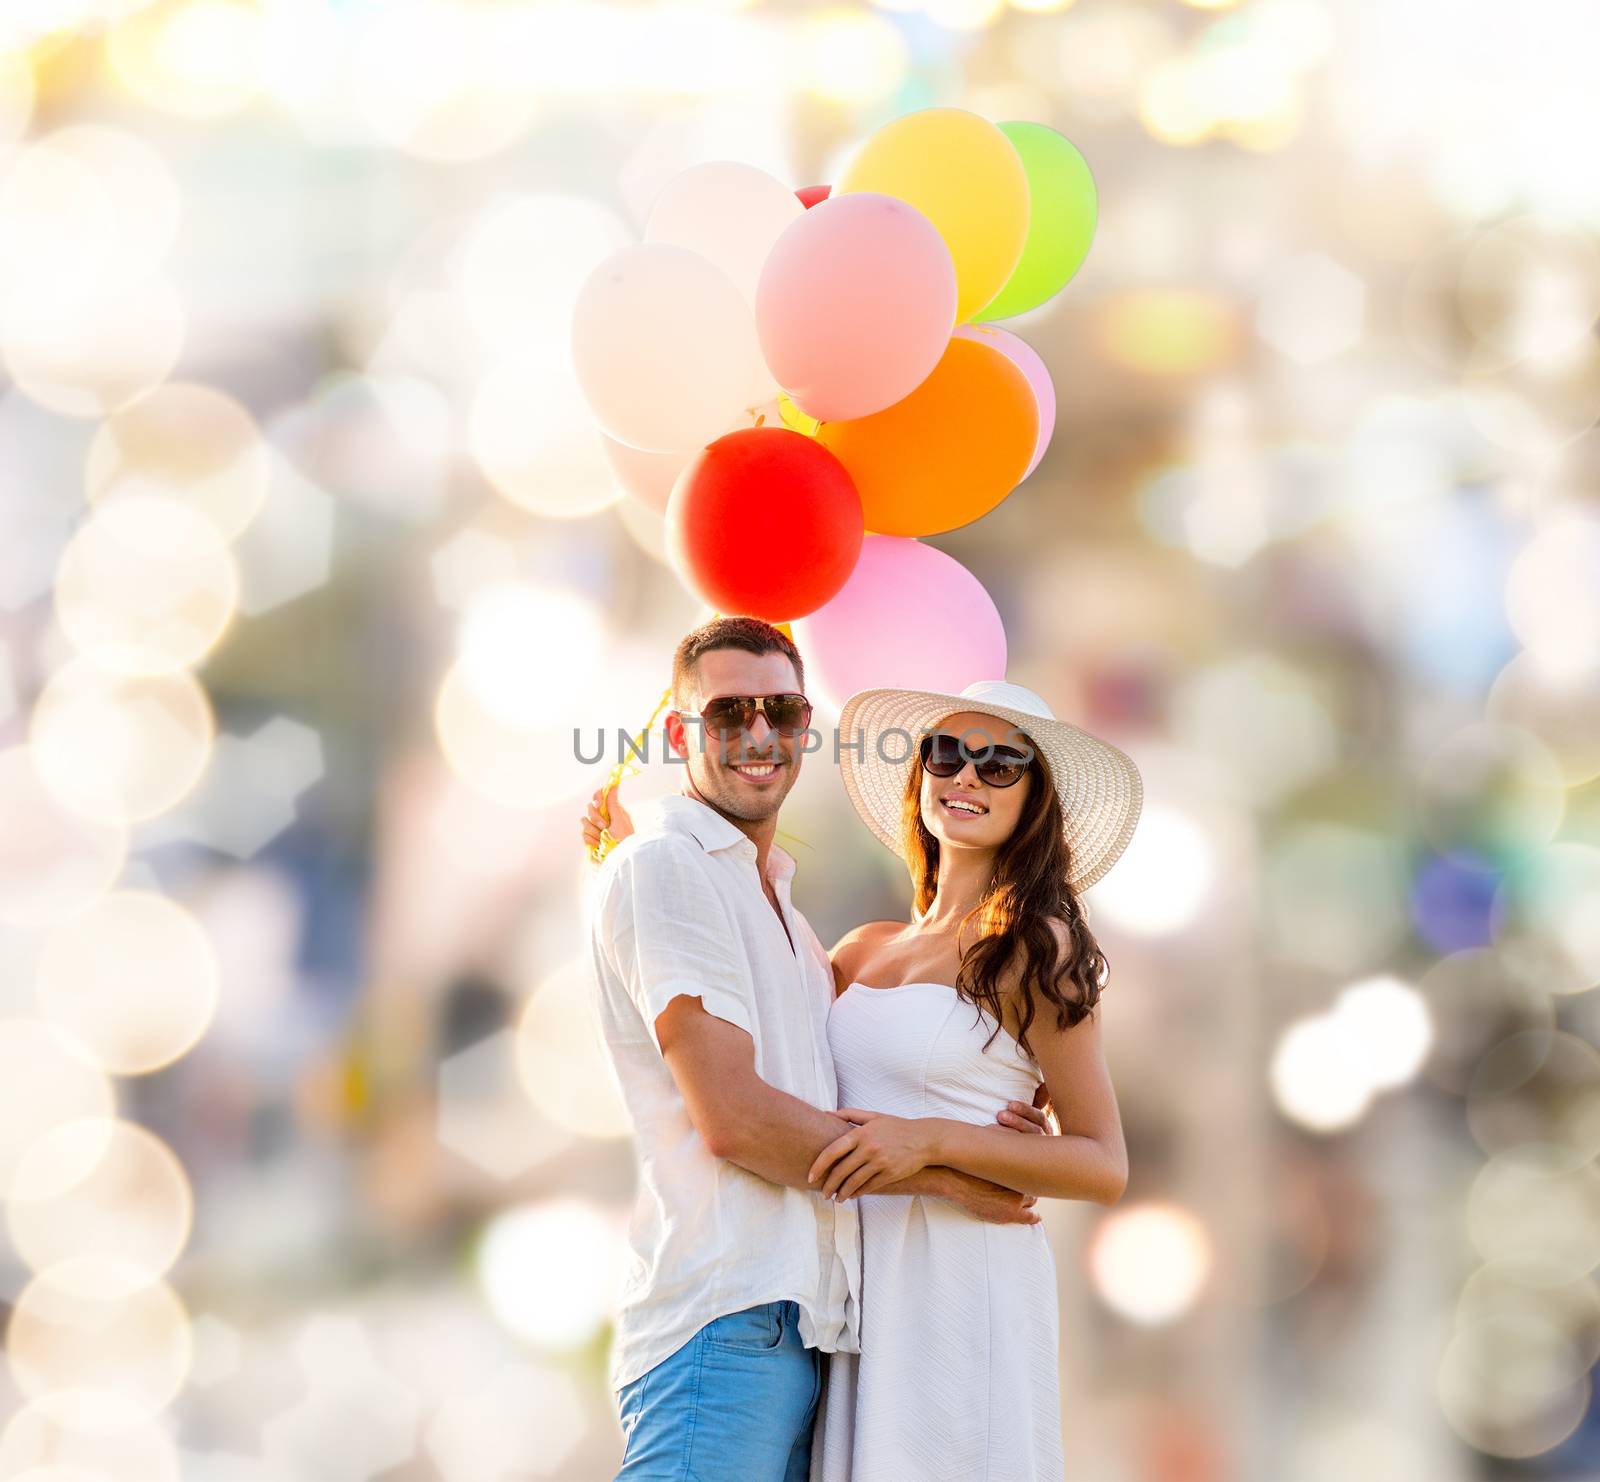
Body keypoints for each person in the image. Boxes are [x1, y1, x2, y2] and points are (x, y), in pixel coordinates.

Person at [582, 618, 1055, 1482]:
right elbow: (735, 1120)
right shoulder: (670, 867)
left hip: (809, 1327)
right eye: (728, 714)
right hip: (724, 1318)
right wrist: (947, 1175)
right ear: (682, 734)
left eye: (781, 710)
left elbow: (882, 1057)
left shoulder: (792, 924)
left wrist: (991, 1096)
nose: (759, 735)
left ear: (805, 726)